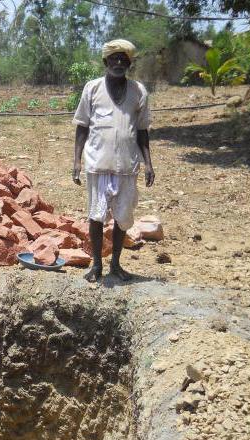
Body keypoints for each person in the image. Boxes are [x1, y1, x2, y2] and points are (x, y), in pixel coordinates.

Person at [72, 39, 155, 282]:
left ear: (129, 63)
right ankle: (97, 265)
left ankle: (116, 265)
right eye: (114, 58)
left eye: (123, 59)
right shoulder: (92, 88)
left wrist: (148, 163)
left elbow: (142, 130)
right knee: (96, 216)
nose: (118, 62)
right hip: (98, 163)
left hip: (126, 166)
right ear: (105, 61)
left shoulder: (138, 91)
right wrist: (76, 161)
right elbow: (82, 126)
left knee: (123, 216)